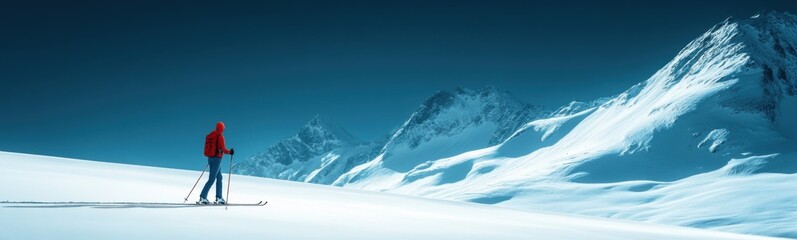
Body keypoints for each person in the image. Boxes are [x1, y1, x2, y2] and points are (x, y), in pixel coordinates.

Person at [198, 122, 234, 204]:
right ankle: (203, 197)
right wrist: (230, 152)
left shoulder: (211, 135)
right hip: (217, 159)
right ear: (222, 128)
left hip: (210, 158)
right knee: (211, 179)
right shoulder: (220, 136)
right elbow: (224, 150)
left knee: (219, 178)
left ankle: (219, 197)